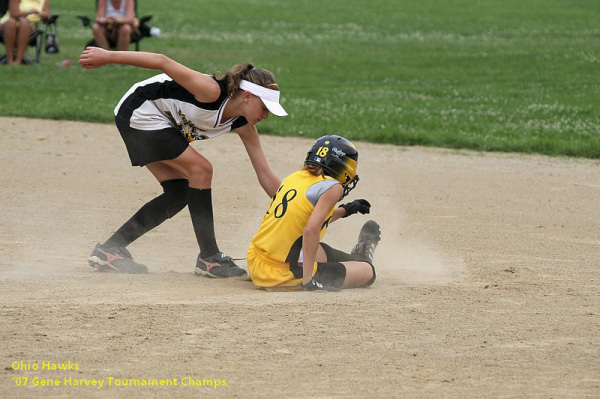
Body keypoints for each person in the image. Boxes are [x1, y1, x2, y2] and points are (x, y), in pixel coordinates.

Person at [79, 46, 287, 278]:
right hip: (140, 110)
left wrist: (293, 207)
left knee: (178, 194)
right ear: (247, 96)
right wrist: (107, 56)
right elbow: (162, 60)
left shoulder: (244, 125)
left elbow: (265, 174)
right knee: (202, 169)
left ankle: (110, 249)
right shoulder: (211, 92)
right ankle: (209, 258)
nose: (266, 115)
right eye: (265, 107)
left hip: (158, 121)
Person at [247, 135, 381, 292]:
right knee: (368, 272)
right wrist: (308, 279)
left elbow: (301, 218)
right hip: (280, 274)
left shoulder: (294, 177)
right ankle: (363, 260)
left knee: (319, 250)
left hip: (256, 263)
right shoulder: (333, 187)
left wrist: (347, 210)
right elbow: (310, 230)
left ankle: (359, 256)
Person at [0, 0, 50, 65]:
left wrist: (41, 14)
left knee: (24, 24)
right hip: (10, 21)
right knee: (11, 23)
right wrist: (28, 13)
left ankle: (18, 60)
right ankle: (10, 60)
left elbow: (47, 15)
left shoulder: (44, 1)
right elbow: (13, 14)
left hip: (29, 25)